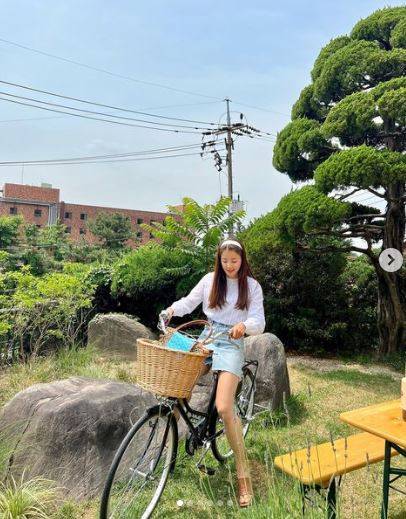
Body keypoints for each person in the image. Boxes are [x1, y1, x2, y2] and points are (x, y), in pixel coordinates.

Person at [164, 238, 265, 508]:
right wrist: (172, 310)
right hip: (207, 335)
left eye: (234, 261)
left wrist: (244, 325)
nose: (230, 266)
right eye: (225, 261)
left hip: (231, 342)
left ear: (242, 260)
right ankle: (165, 457)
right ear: (218, 261)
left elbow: (259, 320)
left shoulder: (252, 286)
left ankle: (243, 479)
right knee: (174, 387)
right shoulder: (210, 280)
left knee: (223, 407)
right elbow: (189, 301)